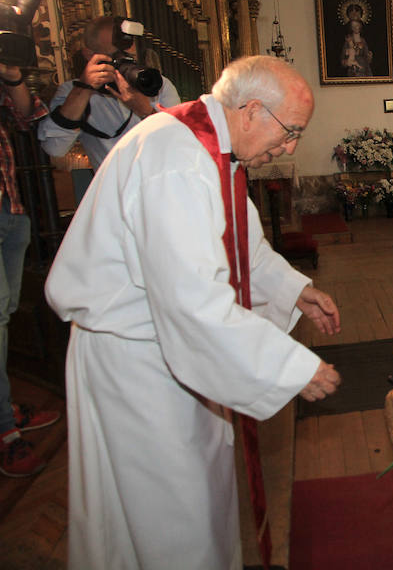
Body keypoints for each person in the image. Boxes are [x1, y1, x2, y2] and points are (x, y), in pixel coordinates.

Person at [44, 56, 343, 569]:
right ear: (250, 111)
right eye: (290, 131)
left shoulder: (211, 148)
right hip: (137, 364)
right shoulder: (175, 158)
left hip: (170, 354)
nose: (291, 145)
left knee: (201, 500)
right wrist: (289, 366)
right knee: (170, 516)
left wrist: (293, 290)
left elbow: (240, 244)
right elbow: (192, 302)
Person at [0, 61, 61, 478]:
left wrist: (13, 76)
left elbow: (29, 117)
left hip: (11, 205)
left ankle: (3, 409)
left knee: (3, 316)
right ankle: (6, 432)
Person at [38, 16, 181, 170]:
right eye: (116, 58)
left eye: (130, 57)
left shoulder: (156, 84)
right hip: (118, 191)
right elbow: (54, 148)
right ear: (89, 55)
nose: (125, 64)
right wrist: (83, 89)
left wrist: (146, 111)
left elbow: (180, 143)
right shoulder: (74, 91)